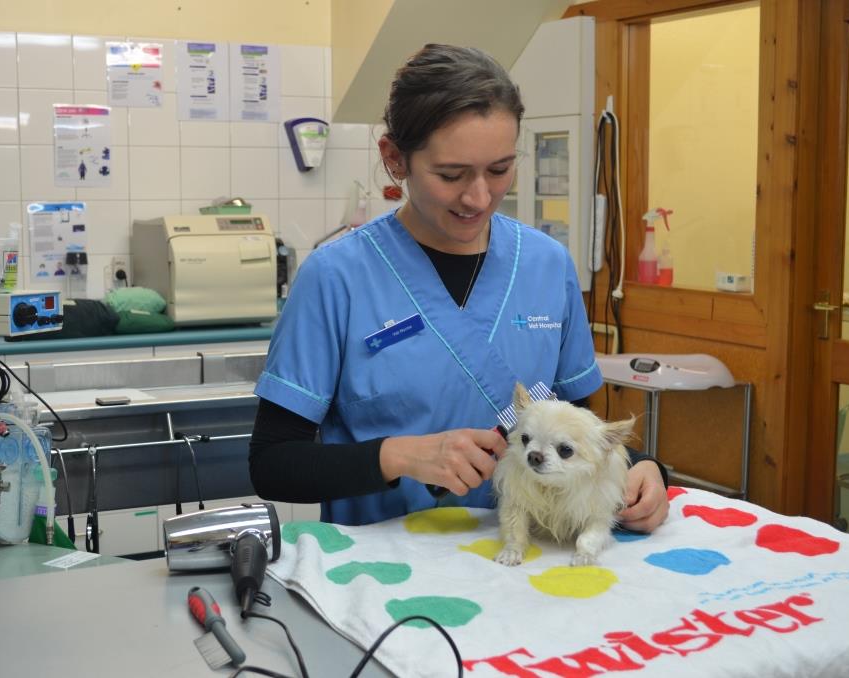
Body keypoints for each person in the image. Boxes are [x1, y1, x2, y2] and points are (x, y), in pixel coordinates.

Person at [250, 44, 669, 531]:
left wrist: (643, 467)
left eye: (499, 170)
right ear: (395, 159)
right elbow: (273, 465)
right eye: (451, 175)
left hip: (530, 556)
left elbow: (579, 429)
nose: (478, 197)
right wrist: (399, 457)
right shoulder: (337, 276)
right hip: (384, 574)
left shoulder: (546, 265)